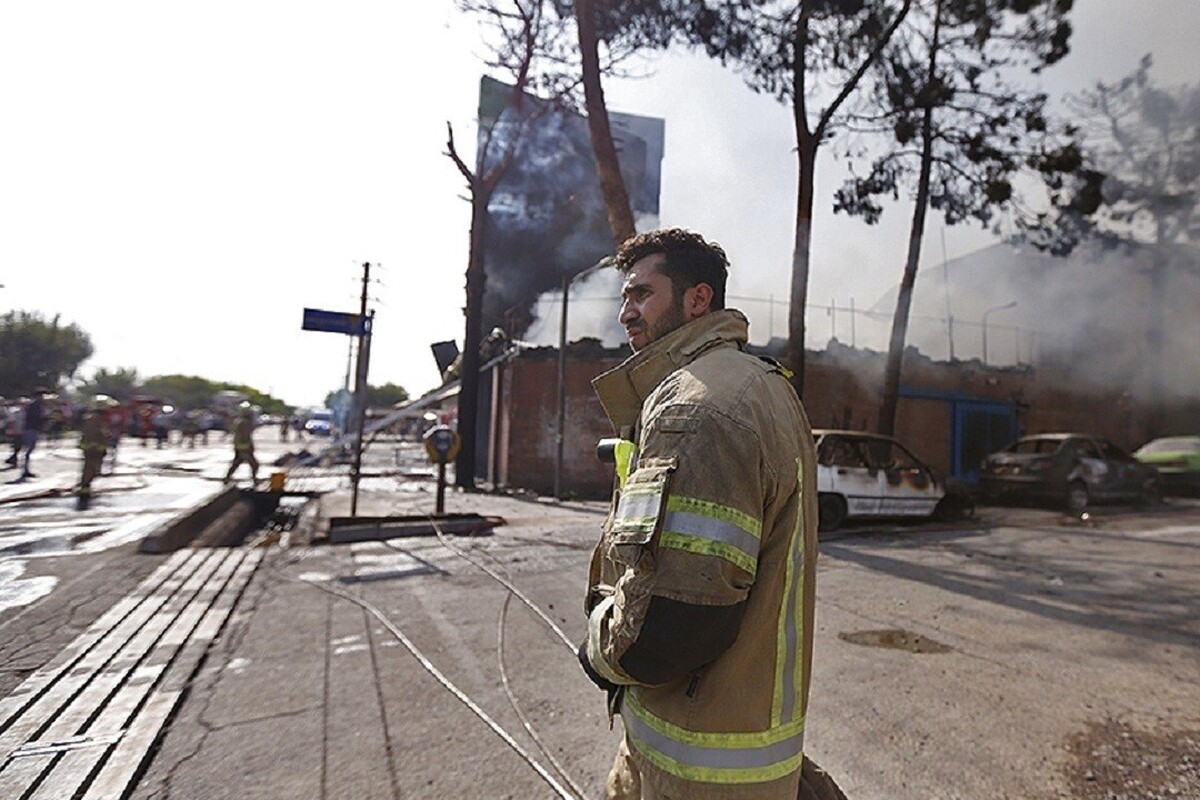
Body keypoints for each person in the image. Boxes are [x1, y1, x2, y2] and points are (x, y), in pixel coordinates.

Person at [578, 229, 834, 800]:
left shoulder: (697, 406)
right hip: (715, 747)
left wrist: (597, 646)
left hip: (696, 773)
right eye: (625, 297)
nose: (626, 313)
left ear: (698, 299)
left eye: (642, 294)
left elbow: (674, 625)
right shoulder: (750, 385)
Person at [77, 401, 108, 500]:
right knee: (90, 469)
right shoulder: (96, 421)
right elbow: (99, 437)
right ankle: (85, 491)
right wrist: (102, 448)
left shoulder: (90, 419)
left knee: (89, 469)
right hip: (93, 450)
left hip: (89, 449)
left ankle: (85, 488)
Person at [224, 405, 259, 483]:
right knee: (254, 464)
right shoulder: (245, 423)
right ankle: (254, 479)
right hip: (244, 447)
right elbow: (245, 435)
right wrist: (249, 446)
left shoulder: (240, 421)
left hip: (239, 446)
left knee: (237, 463)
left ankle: (227, 478)